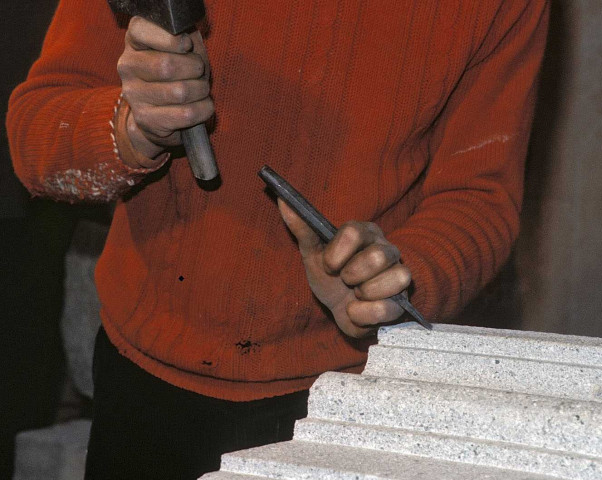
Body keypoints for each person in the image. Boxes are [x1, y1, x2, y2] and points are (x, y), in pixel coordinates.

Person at [7, 0, 549, 478]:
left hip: (351, 396)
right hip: (144, 378)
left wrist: (392, 279)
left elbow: (479, 197)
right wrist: (131, 129)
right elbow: (36, 139)